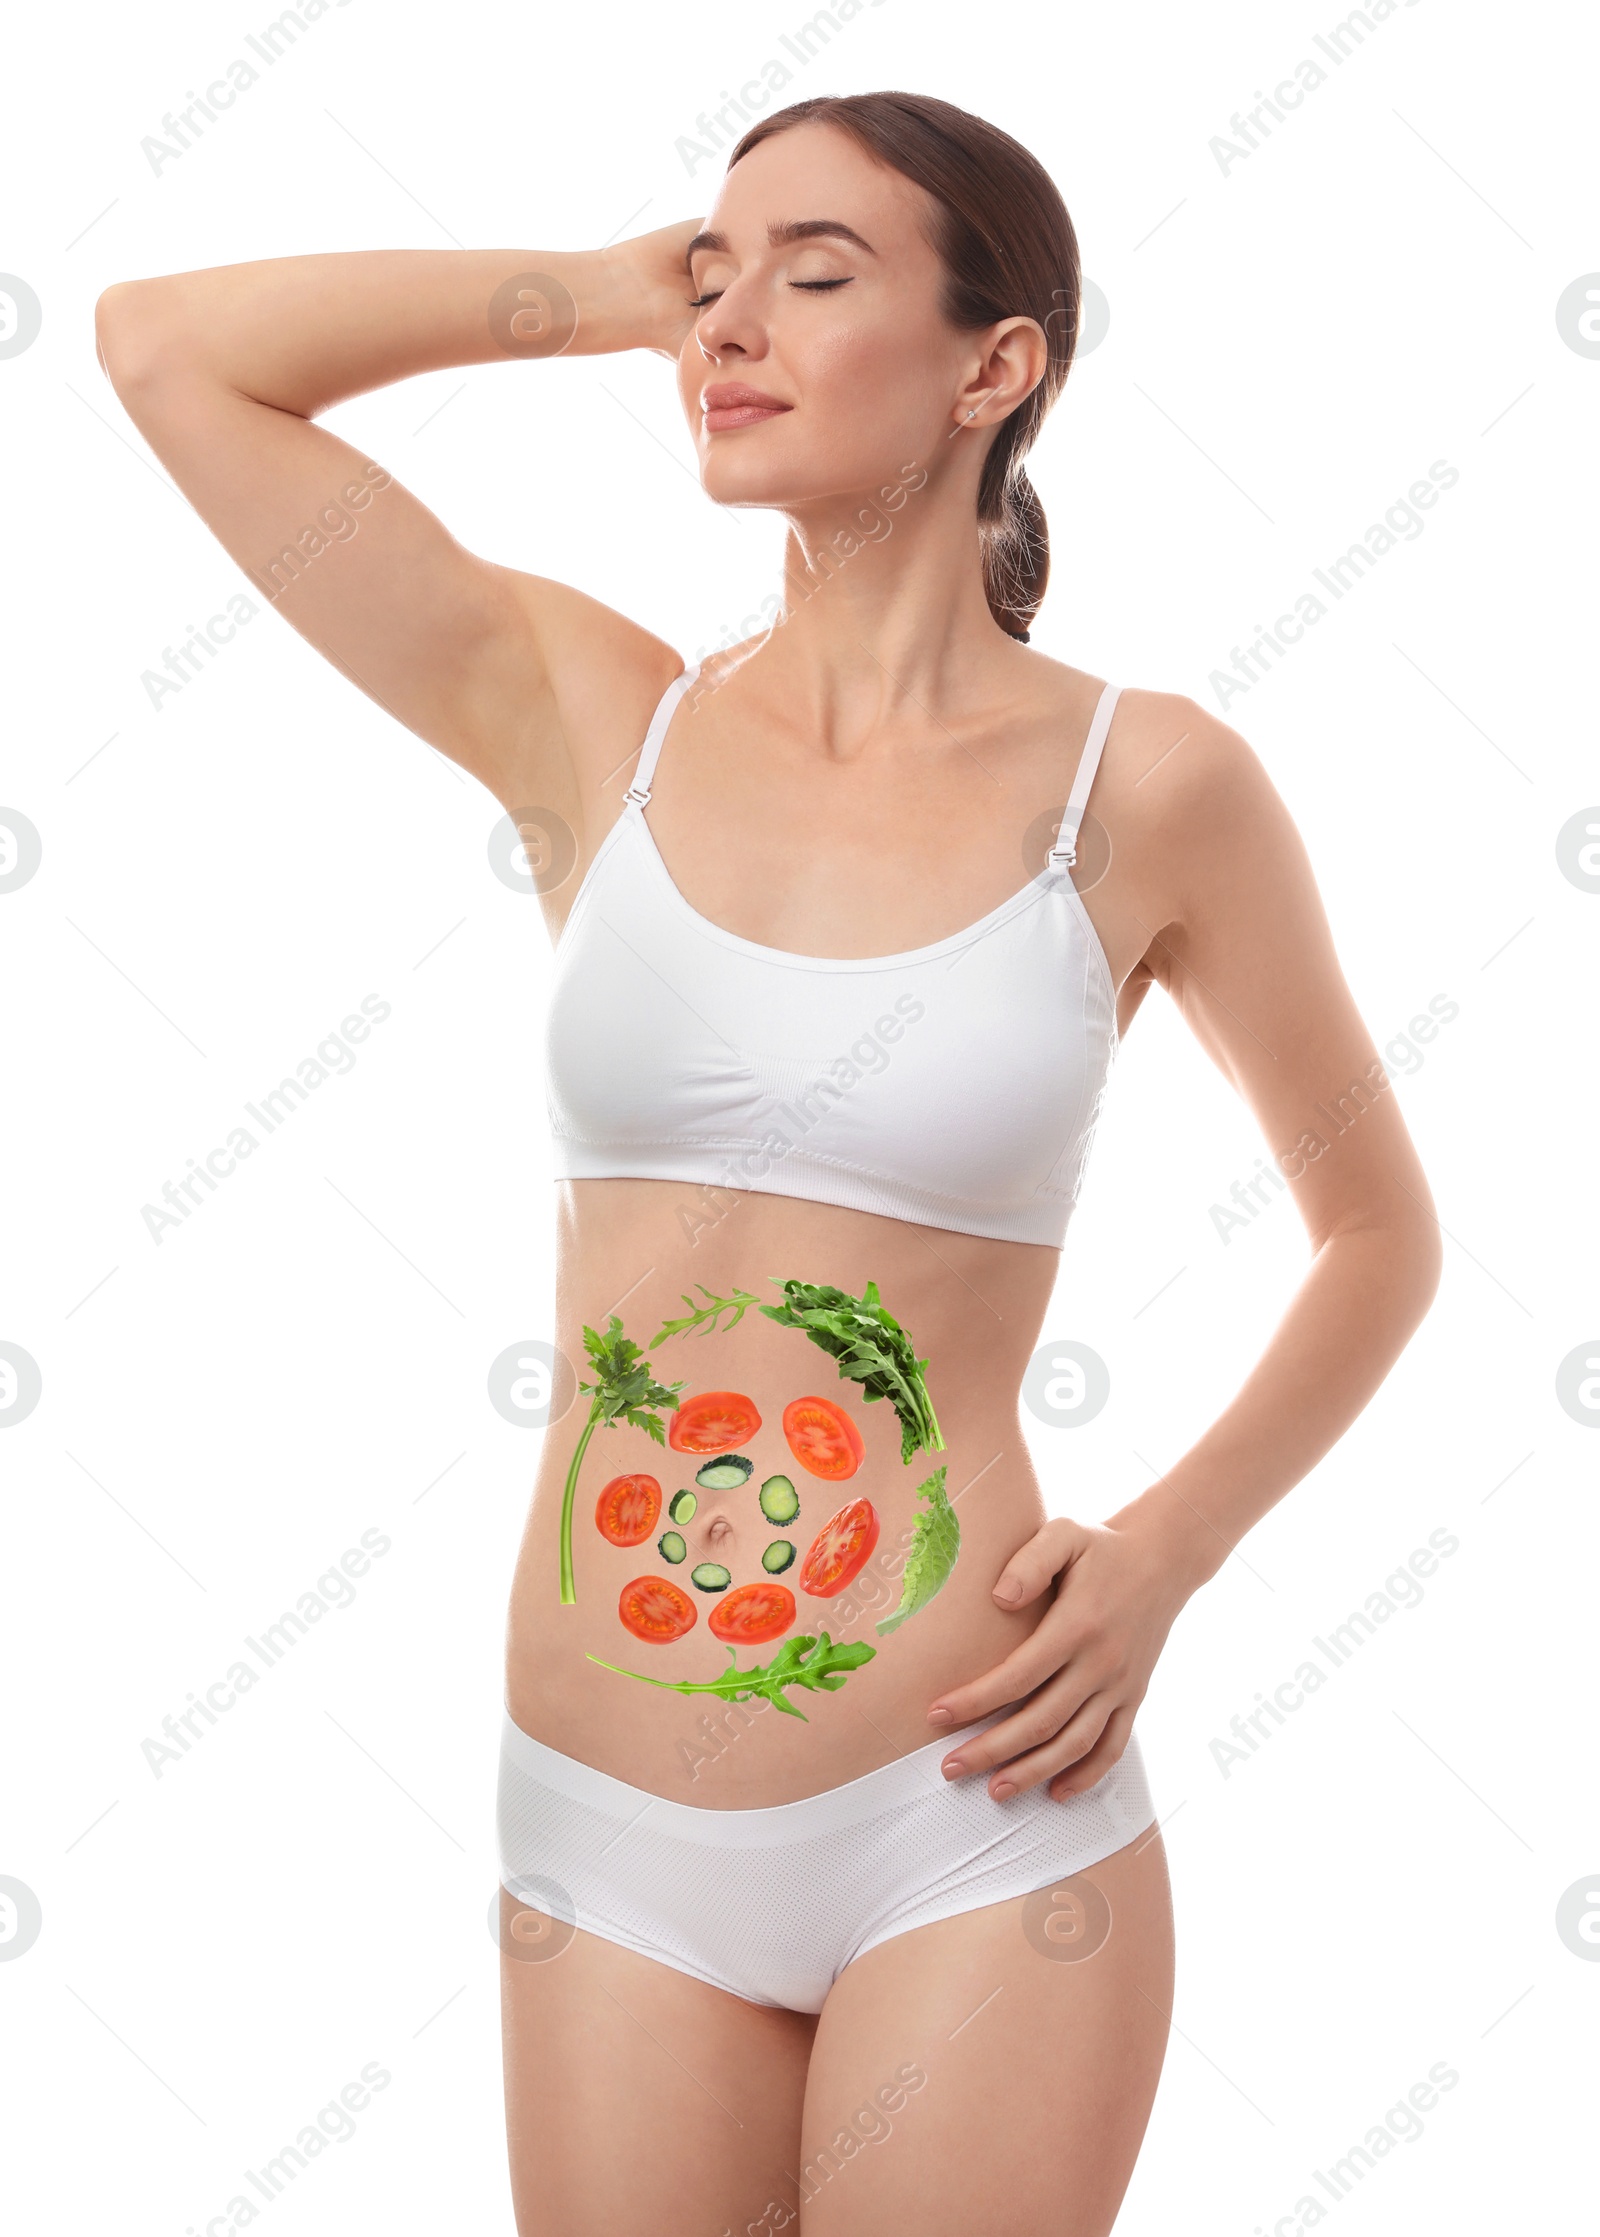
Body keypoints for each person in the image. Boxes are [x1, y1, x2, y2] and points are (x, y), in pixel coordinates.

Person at [97, 88, 1441, 2237]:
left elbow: (1376, 1231)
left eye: (812, 277)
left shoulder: (1149, 784)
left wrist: (1169, 1552)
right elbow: (166, 346)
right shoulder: (586, 717)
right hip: (606, 1840)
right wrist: (598, 299)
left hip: (967, 1812)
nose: (730, 321)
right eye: (713, 272)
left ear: (996, 366)